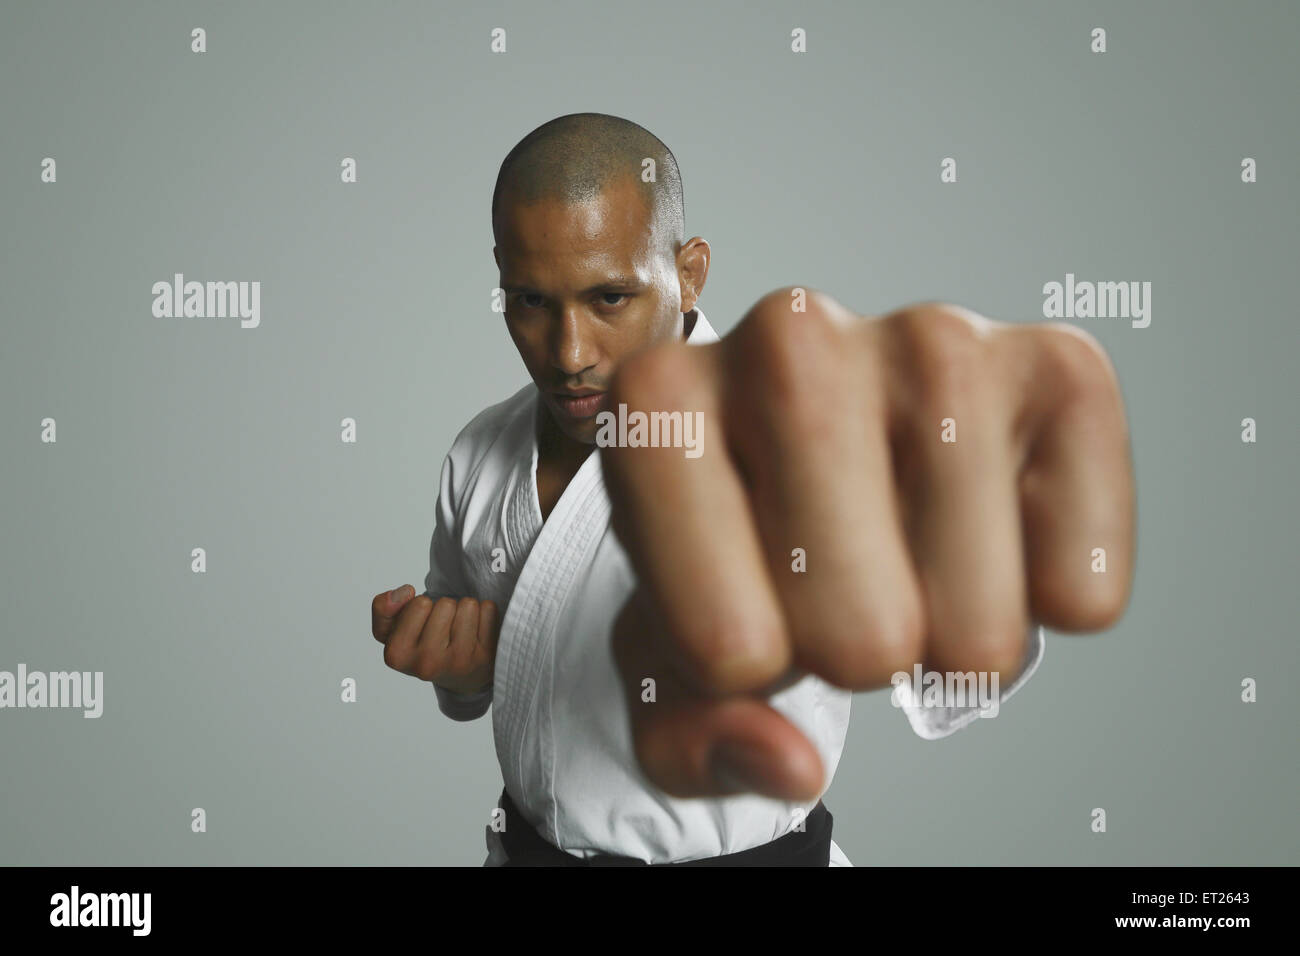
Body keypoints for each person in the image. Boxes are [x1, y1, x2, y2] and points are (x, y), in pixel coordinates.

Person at [369, 112, 1135, 866]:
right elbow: (478, 678)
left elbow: (952, 666)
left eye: (610, 298)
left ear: (689, 272)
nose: (570, 353)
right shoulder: (479, 452)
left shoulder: (790, 437)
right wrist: (465, 668)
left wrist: (949, 540)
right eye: (531, 301)